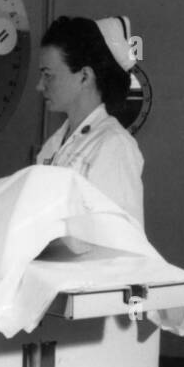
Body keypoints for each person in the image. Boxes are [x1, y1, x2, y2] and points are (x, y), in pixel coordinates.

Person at [35, 15, 146, 227]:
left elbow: (119, 239)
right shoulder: (53, 146)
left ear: (84, 76)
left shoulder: (114, 146)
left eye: (48, 75)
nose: (40, 86)